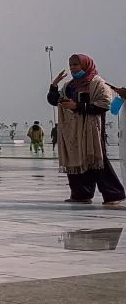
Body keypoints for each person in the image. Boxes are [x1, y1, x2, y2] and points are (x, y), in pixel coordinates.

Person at [48, 55, 124, 206]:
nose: (73, 68)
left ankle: (113, 194)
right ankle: (81, 194)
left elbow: (104, 105)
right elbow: (53, 100)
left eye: (76, 65)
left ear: (85, 65)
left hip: (92, 129)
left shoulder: (98, 84)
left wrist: (77, 106)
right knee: (76, 160)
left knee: (96, 160)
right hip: (73, 131)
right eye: (71, 65)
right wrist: (54, 85)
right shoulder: (70, 85)